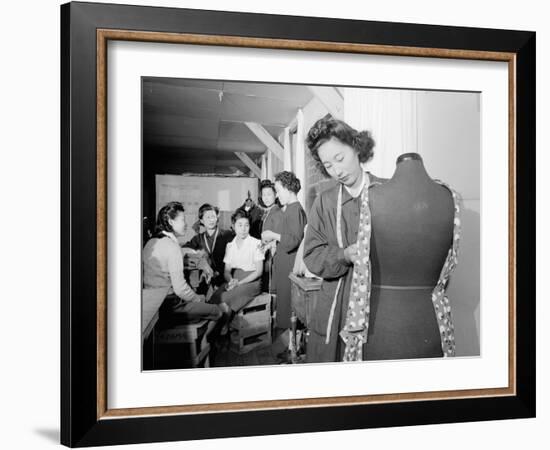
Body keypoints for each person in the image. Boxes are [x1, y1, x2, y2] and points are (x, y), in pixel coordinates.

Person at [302, 115, 385, 362]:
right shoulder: (324, 203)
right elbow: (312, 256)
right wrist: (343, 255)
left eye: (340, 158)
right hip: (337, 306)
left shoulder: (387, 192)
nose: (337, 170)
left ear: (357, 147)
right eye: (328, 165)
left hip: (379, 303)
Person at [142, 201, 226, 324]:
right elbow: (180, 289)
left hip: (151, 304)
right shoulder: (172, 247)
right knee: (217, 310)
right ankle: (207, 342)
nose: (186, 224)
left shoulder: (150, 243)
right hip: (170, 306)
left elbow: (181, 250)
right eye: (182, 220)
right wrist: (198, 299)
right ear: (171, 222)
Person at [261, 171, 307, 334]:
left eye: (279, 191)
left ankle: (292, 348)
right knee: (286, 306)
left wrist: (273, 235)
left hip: (290, 264)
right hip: (284, 263)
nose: (277, 195)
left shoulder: (295, 210)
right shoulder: (291, 209)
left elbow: (294, 239)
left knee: (290, 308)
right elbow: (288, 235)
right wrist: (274, 241)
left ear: (288, 189)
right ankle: (290, 345)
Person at [209, 208, 264, 322]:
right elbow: (227, 271)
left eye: (246, 225)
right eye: (240, 225)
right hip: (235, 279)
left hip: (252, 281)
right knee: (215, 297)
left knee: (225, 299)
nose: (243, 229)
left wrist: (240, 283)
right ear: (233, 226)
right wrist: (231, 281)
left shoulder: (256, 243)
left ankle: (222, 328)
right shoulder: (230, 245)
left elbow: (259, 271)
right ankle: (222, 327)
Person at [182, 203, 234, 290]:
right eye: (208, 217)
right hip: (205, 278)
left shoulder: (227, 234)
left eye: (213, 216)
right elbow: (184, 249)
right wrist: (199, 254)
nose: (211, 220)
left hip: (225, 277)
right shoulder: (198, 238)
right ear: (201, 220)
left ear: (217, 218)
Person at [258, 179, 283, 292]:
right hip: (265, 252)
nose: (266, 197)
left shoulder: (277, 212)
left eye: (269, 194)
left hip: (273, 254)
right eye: (264, 195)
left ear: (276, 195)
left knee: (271, 285)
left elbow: (279, 236)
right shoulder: (268, 211)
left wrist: (268, 246)